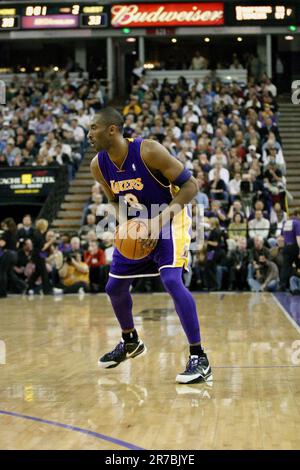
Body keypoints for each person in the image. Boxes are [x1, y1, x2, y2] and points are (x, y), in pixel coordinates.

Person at [89, 107, 212, 384]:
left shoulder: (148, 151)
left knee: (171, 279)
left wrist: (158, 221)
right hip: (138, 226)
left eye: (93, 128)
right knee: (114, 287)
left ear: (112, 129)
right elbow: (113, 201)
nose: (89, 134)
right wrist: (123, 225)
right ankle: (130, 340)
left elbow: (191, 186)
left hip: (170, 218)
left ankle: (199, 357)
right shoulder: (98, 165)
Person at [281, 208, 300, 289]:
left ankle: (283, 285)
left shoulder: (285, 223)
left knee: (286, 267)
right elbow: (298, 237)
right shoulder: (297, 223)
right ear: (297, 215)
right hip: (294, 247)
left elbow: (282, 236)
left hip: (286, 247)